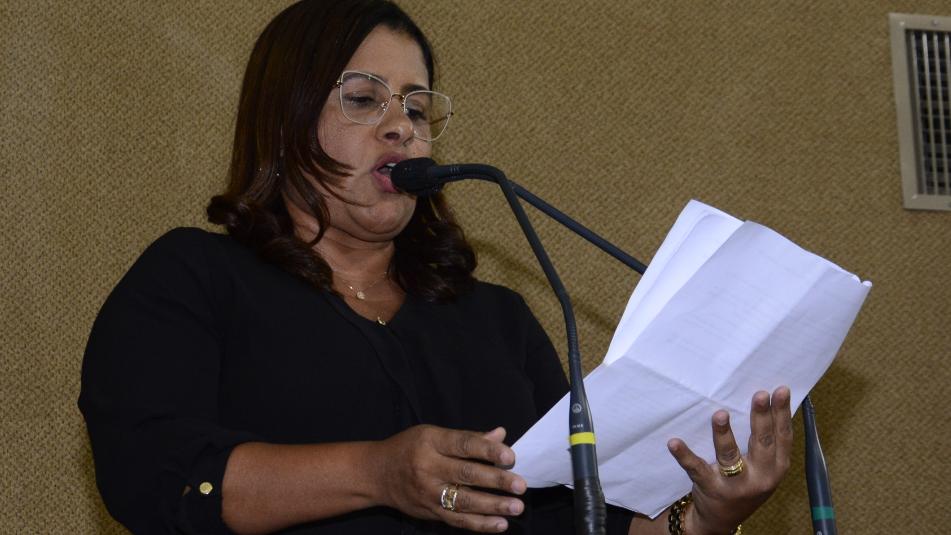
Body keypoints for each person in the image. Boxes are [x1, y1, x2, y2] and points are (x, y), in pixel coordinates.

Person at [79, 1, 793, 534]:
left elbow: (577, 519)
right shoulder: (194, 279)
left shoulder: (495, 320)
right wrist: (376, 473)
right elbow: (156, 475)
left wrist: (705, 517)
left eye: (417, 109)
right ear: (284, 121)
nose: (401, 126)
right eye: (364, 99)